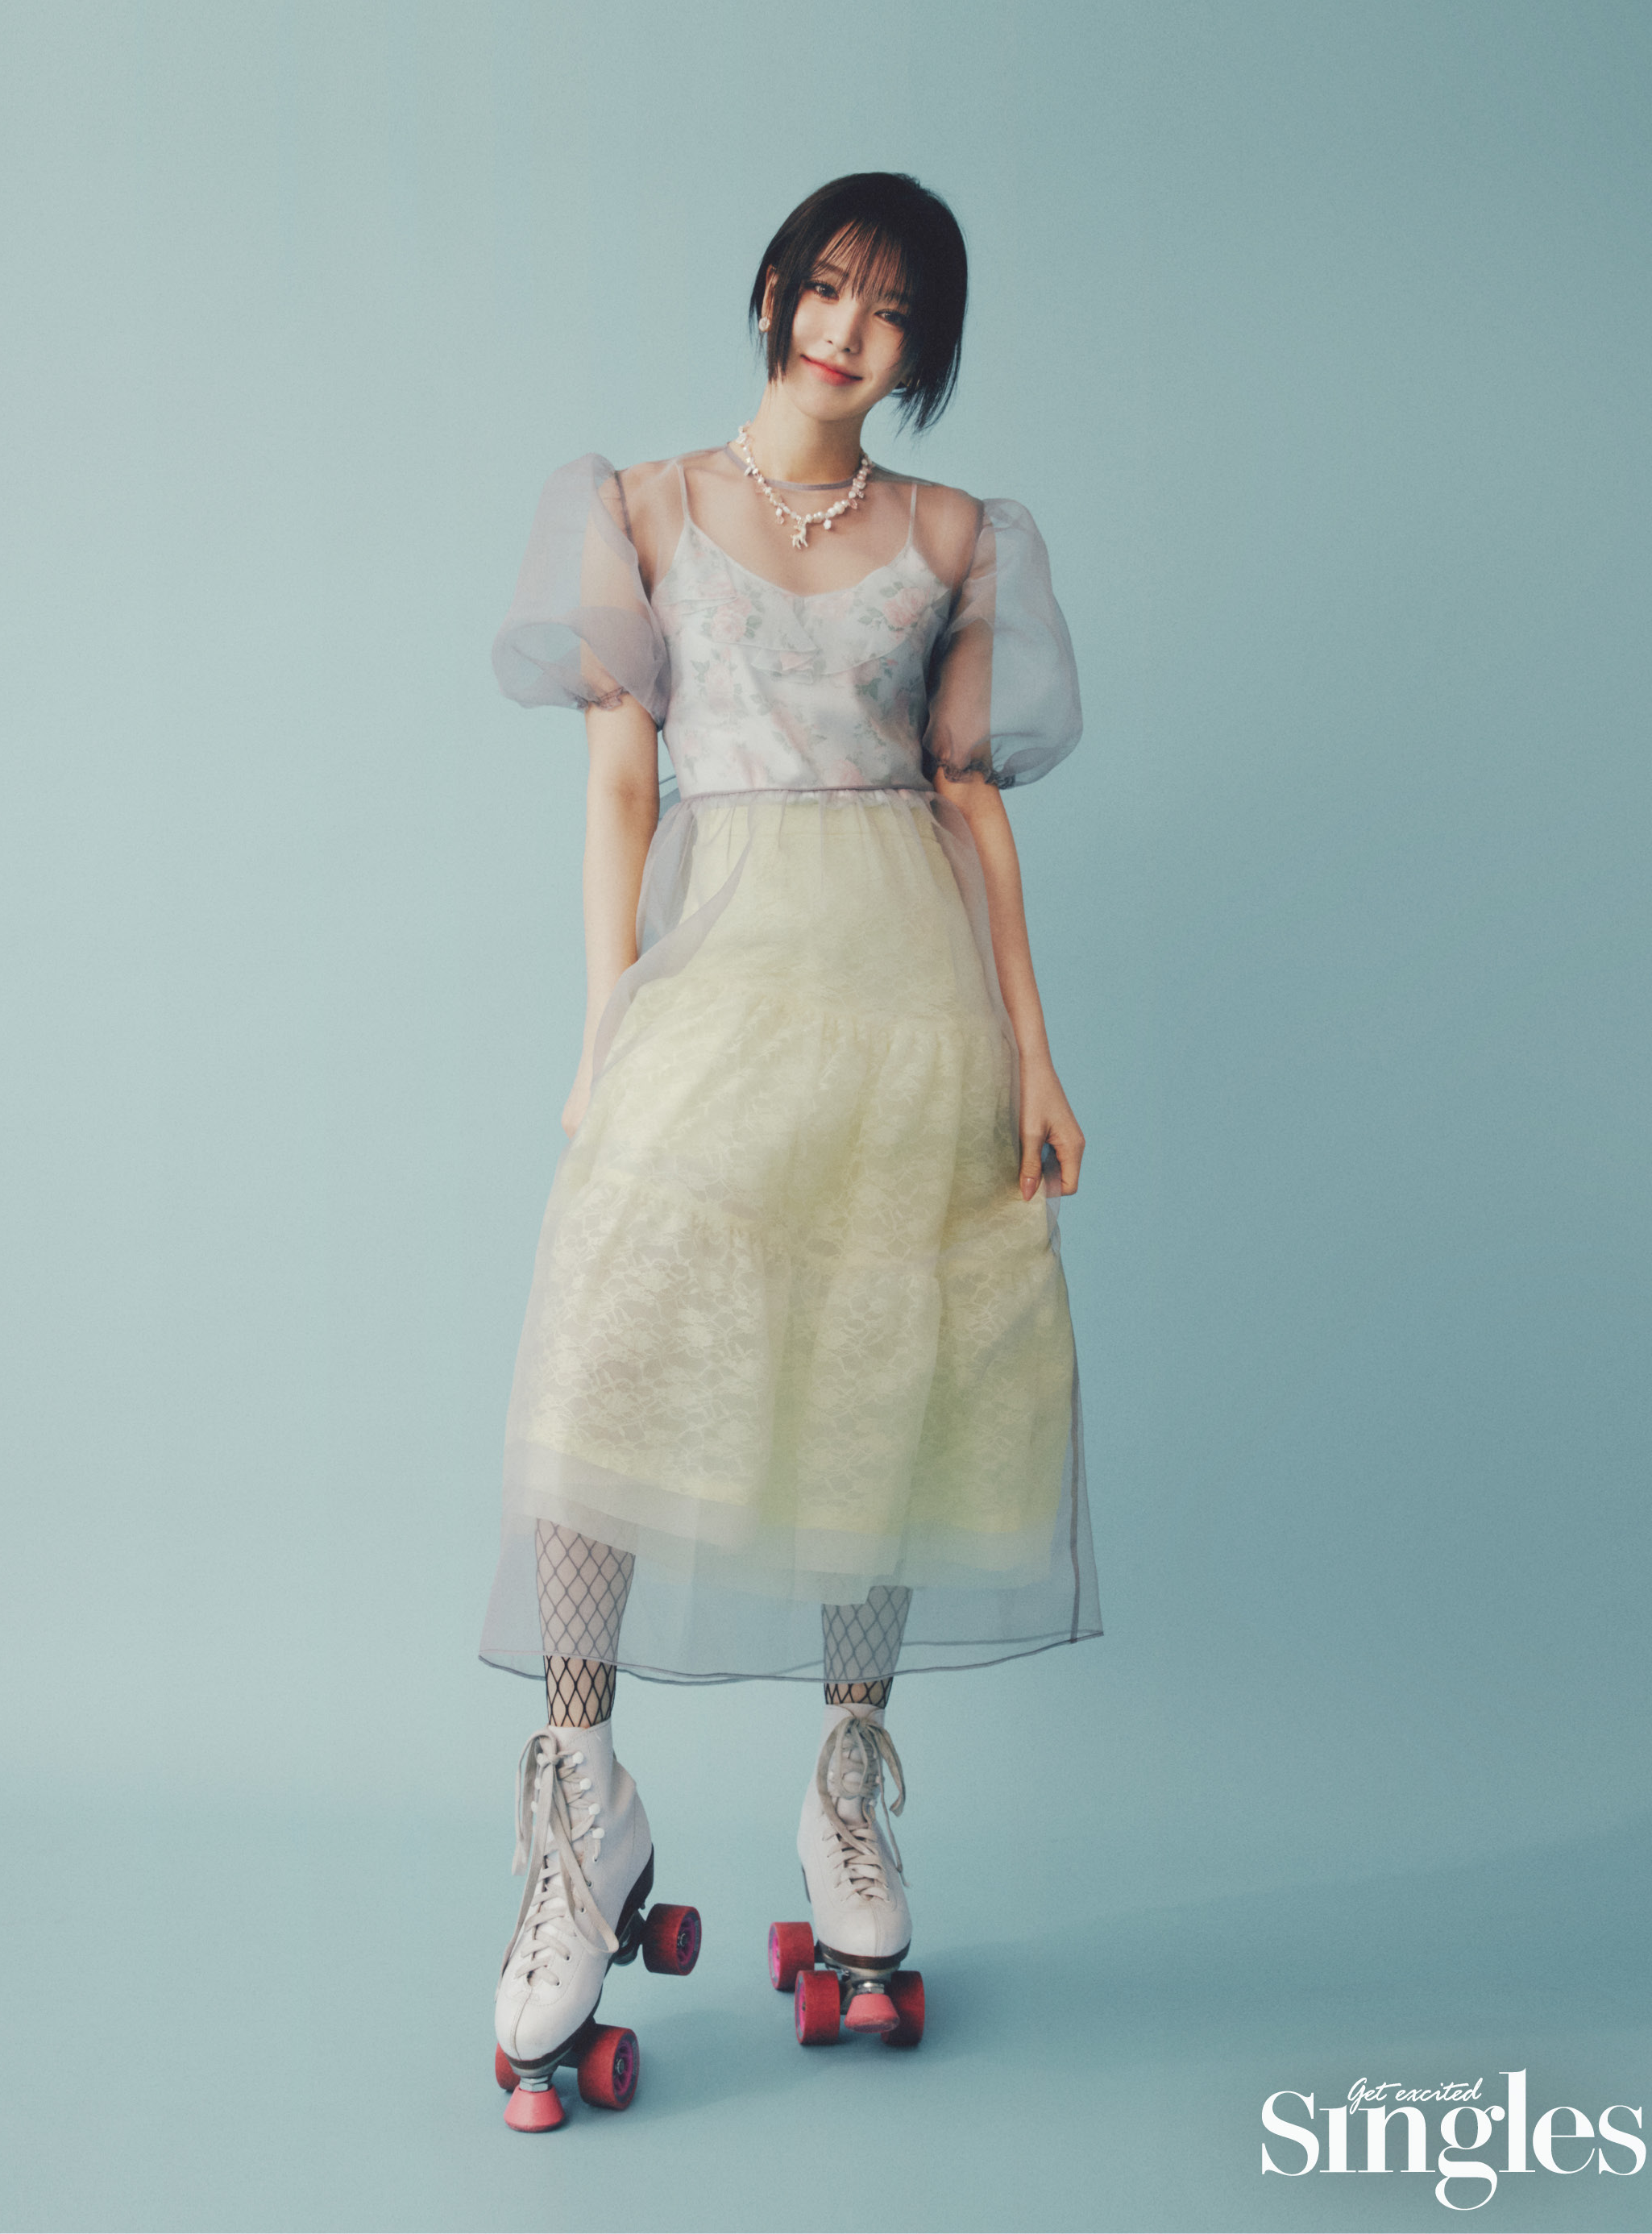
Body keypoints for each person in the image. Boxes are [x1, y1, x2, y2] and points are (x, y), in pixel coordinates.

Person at [482, 171, 1100, 2114]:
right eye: (827, 287)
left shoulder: (958, 535)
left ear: (927, 350)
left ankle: (847, 1792)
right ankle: (580, 1808)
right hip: (721, 977)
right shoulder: (643, 509)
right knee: (604, 1351)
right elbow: (619, 786)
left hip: (911, 997)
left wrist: (1037, 1059)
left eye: (892, 312)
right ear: (772, 289)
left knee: (875, 1382)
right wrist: (607, 1030)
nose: (847, 330)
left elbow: (973, 806)